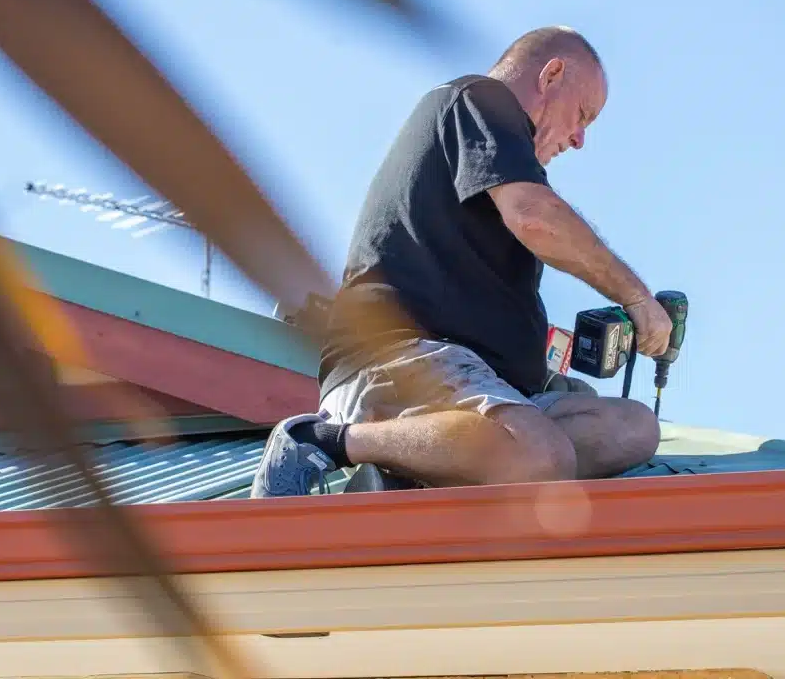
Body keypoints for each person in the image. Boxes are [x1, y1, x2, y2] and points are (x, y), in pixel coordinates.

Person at [251, 26, 673, 498]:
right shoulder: (479, 100)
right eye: (583, 115)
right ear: (552, 74)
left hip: (488, 389)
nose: (578, 140)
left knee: (634, 429)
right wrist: (635, 296)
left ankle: (421, 465)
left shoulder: (497, 168)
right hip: (399, 356)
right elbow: (535, 216)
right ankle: (321, 441)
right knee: (540, 454)